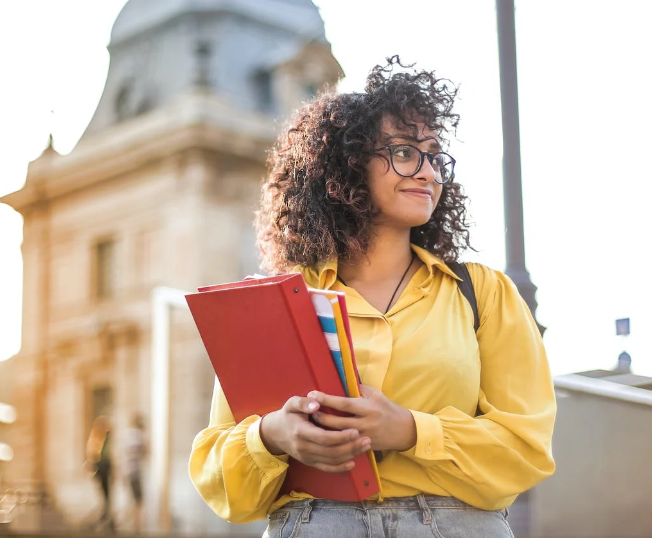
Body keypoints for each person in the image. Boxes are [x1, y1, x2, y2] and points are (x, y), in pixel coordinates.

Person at [189, 56, 556, 537]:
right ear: (348, 164)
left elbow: (526, 450)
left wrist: (408, 430)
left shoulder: (483, 294)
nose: (428, 172)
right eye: (405, 152)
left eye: (435, 155)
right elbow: (223, 482)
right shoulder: (278, 302)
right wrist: (273, 436)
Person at [86, 415, 115, 532]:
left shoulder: (103, 437)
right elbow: (93, 454)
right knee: (105, 494)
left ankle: (106, 515)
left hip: (104, 466)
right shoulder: (98, 438)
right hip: (101, 466)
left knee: (106, 494)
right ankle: (105, 515)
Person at [122, 413, 147, 533]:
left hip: (129, 471)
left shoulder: (128, 434)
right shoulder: (135, 435)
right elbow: (139, 451)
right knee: (138, 500)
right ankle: (136, 526)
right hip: (134, 471)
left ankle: (134, 524)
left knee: (134, 499)